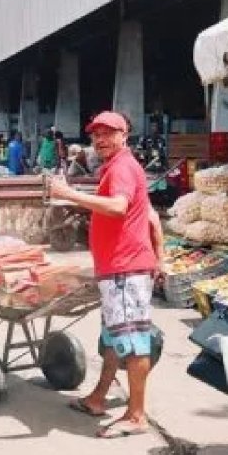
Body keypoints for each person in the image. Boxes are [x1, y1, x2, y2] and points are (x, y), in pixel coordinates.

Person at [51, 111, 160, 438]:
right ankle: (98, 397)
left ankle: (137, 415)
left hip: (126, 270)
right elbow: (150, 216)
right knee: (114, 338)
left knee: (134, 342)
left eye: (109, 133)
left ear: (124, 135)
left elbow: (118, 207)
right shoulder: (115, 167)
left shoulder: (123, 167)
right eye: (96, 134)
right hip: (117, 269)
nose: (101, 140)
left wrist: (69, 194)